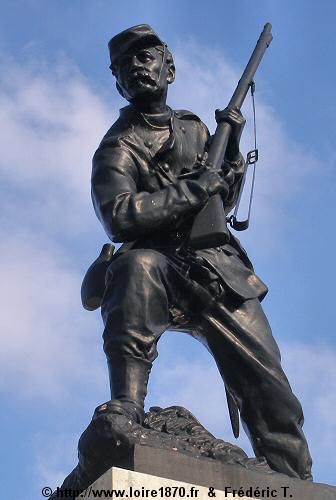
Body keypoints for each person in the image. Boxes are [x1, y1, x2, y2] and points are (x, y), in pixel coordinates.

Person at [90, 24, 312, 480]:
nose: (137, 67)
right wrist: (195, 190)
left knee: (275, 396)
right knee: (135, 266)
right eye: (124, 65)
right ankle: (126, 407)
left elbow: (219, 206)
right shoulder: (117, 147)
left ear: (168, 66)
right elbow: (120, 215)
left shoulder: (193, 127)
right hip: (160, 268)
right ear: (117, 82)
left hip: (216, 271)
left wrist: (229, 165)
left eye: (146, 56)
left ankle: (293, 482)